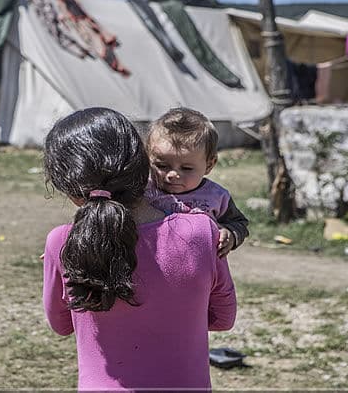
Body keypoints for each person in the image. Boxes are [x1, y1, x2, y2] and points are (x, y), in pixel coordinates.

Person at [42, 107, 236, 390]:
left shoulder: (62, 243)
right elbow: (223, 318)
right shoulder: (201, 232)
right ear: (142, 163)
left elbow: (61, 324)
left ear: (70, 188)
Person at [145, 107, 249, 258]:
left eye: (186, 168)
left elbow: (239, 223)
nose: (173, 175)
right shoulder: (144, 191)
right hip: (154, 267)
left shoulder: (216, 197)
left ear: (209, 165)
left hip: (200, 271)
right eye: (162, 166)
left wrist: (230, 235)